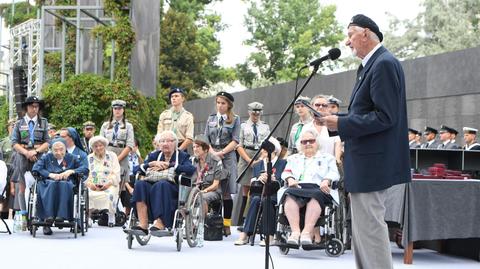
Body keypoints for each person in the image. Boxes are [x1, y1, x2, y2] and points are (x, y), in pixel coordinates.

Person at [321, 14, 411, 268]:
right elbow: (365, 114)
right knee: (362, 231)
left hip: (373, 163)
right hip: (365, 162)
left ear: (366, 34)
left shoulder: (383, 63)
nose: (347, 42)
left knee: (370, 230)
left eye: (350, 34)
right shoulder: (371, 65)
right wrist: (335, 120)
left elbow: (385, 117)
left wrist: (340, 123)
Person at [280, 128, 339, 246]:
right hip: (298, 187)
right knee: (289, 194)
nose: (307, 144)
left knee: (315, 195)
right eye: (304, 142)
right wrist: (290, 178)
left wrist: (326, 180)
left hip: (319, 188)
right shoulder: (293, 158)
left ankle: (306, 233)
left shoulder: (327, 158)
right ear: (300, 144)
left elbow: (334, 173)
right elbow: (286, 172)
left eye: (311, 141)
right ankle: (295, 233)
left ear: (317, 142)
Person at [129, 131, 195, 235]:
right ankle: (143, 224)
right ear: (159, 144)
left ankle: (160, 222)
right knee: (140, 184)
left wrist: (170, 165)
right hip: (152, 185)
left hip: (173, 188)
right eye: (162, 141)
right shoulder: (154, 155)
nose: (165, 144)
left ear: (175, 143)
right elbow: (135, 169)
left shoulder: (183, 156)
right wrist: (151, 164)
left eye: (169, 141)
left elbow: (190, 169)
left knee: (161, 184)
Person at [234, 137, 286, 246]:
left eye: (266, 150)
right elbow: (252, 182)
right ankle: (246, 233)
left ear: (274, 150)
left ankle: (269, 235)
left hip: (274, 193)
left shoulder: (283, 163)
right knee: (255, 200)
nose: (263, 151)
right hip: (259, 192)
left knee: (267, 200)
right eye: (263, 149)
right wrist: (259, 179)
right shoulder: (258, 164)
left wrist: (273, 179)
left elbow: (283, 181)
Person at [32, 138, 89, 235]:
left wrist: (71, 171)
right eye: (55, 150)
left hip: (67, 181)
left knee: (65, 185)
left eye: (61, 149)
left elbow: (84, 168)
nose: (58, 152)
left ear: (65, 148)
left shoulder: (72, 157)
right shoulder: (46, 157)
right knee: (51, 185)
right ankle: (47, 218)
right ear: (51, 150)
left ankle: (61, 216)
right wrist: (50, 174)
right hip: (49, 181)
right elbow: (36, 168)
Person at [204, 91, 240, 236]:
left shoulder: (235, 119)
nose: (220, 106)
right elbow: (206, 138)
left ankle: (226, 224)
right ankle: (214, 221)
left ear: (229, 105)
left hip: (227, 156)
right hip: (212, 154)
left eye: (223, 103)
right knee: (213, 188)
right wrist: (212, 152)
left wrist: (222, 152)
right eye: (218, 102)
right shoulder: (211, 118)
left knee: (226, 192)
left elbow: (236, 140)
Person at [11, 96, 50, 212]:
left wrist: (36, 151)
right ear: (26, 107)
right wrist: (26, 153)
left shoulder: (43, 122)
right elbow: (14, 142)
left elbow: (48, 142)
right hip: (22, 157)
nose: (34, 108)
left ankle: (39, 215)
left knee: (40, 187)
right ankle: (24, 215)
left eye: (37, 106)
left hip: (38, 157)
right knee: (22, 188)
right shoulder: (19, 123)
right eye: (32, 106)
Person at [236, 102, 270, 226]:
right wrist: (249, 160)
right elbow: (238, 145)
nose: (255, 115)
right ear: (249, 112)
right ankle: (243, 221)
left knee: (257, 186)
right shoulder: (243, 126)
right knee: (246, 188)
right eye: (253, 112)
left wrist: (260, 159)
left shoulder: (265, 127)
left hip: (260, 154)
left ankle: (254, 220)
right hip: (246, 154)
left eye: (258, 112)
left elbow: (267, 144)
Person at [100, 99, 135, 216]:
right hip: (108, 153)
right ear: (112, 110)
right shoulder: (105, 125)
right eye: (115, 108)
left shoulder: (128, 126)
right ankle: (106, 209)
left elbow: (130, 145)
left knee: (121, 182)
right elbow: (100, 143)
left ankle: (120, 211)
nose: (117, 111)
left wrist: (118, 158)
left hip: (122, 154)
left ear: (123, 110)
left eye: (119, 108)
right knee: (107, 180)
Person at [85, 136, 121, 227]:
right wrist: (90, 184)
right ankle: (88, 217)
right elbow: (86, 173)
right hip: (93, 184)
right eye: (95, 146)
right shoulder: (89, 158)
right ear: (92, 148)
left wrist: (108, 183)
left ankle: (111, 215)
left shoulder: (112, 156)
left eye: (100, 145)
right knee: (88, 194)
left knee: (110, 193)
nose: (98, 148)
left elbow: (116, 172)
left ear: (104, 146)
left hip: (109, 184)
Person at [191, 134, 226, 215]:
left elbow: (215, 185)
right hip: (196, 190)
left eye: (197, 147)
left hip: (212, 190)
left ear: (205, 149)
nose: (195, 149)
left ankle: (202, 223)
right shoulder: (192, 161)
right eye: (193, 147)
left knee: (201, 198)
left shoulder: (216, 161)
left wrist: (204, 191)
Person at [305, 95, 343, 164]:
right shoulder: (306, 127)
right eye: (317, 105)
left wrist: (337, 160)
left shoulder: (333, 125)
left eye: (324, 105)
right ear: (312, 107)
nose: (320, 107)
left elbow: (338, 143)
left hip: (329, 166)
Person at [157, 87, 194, 151]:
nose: (173, 98)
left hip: (181, 146)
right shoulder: (164, 115)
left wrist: (178, 150)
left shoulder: (188, 116)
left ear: (182, 99)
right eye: (172, 97)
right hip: (165, 146)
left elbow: (189, 138)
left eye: (176, 96)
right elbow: (159, 134)